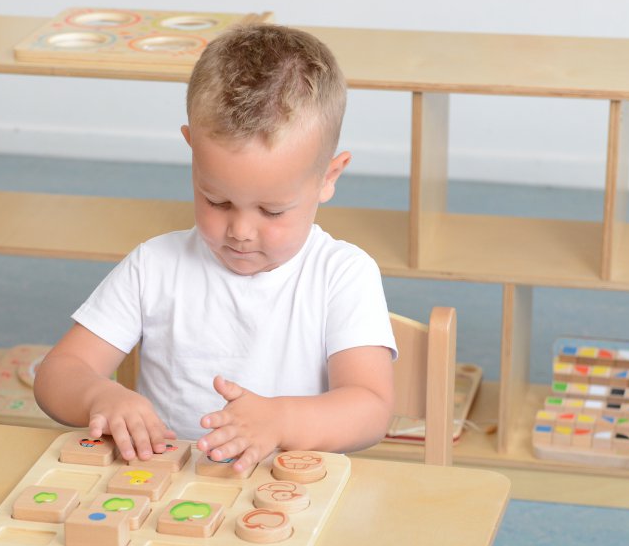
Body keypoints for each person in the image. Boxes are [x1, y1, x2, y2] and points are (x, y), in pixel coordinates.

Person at [34, 23, 396, 473]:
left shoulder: (343, 274)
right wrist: (98, 395)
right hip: (165, 488)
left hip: (288, 495)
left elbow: (370, 408)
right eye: (217, 201)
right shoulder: (155, 265)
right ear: (193, 152)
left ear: (329, 177)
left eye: (272, 211)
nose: (240, 231)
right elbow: (57, 372)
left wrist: (280, 420)